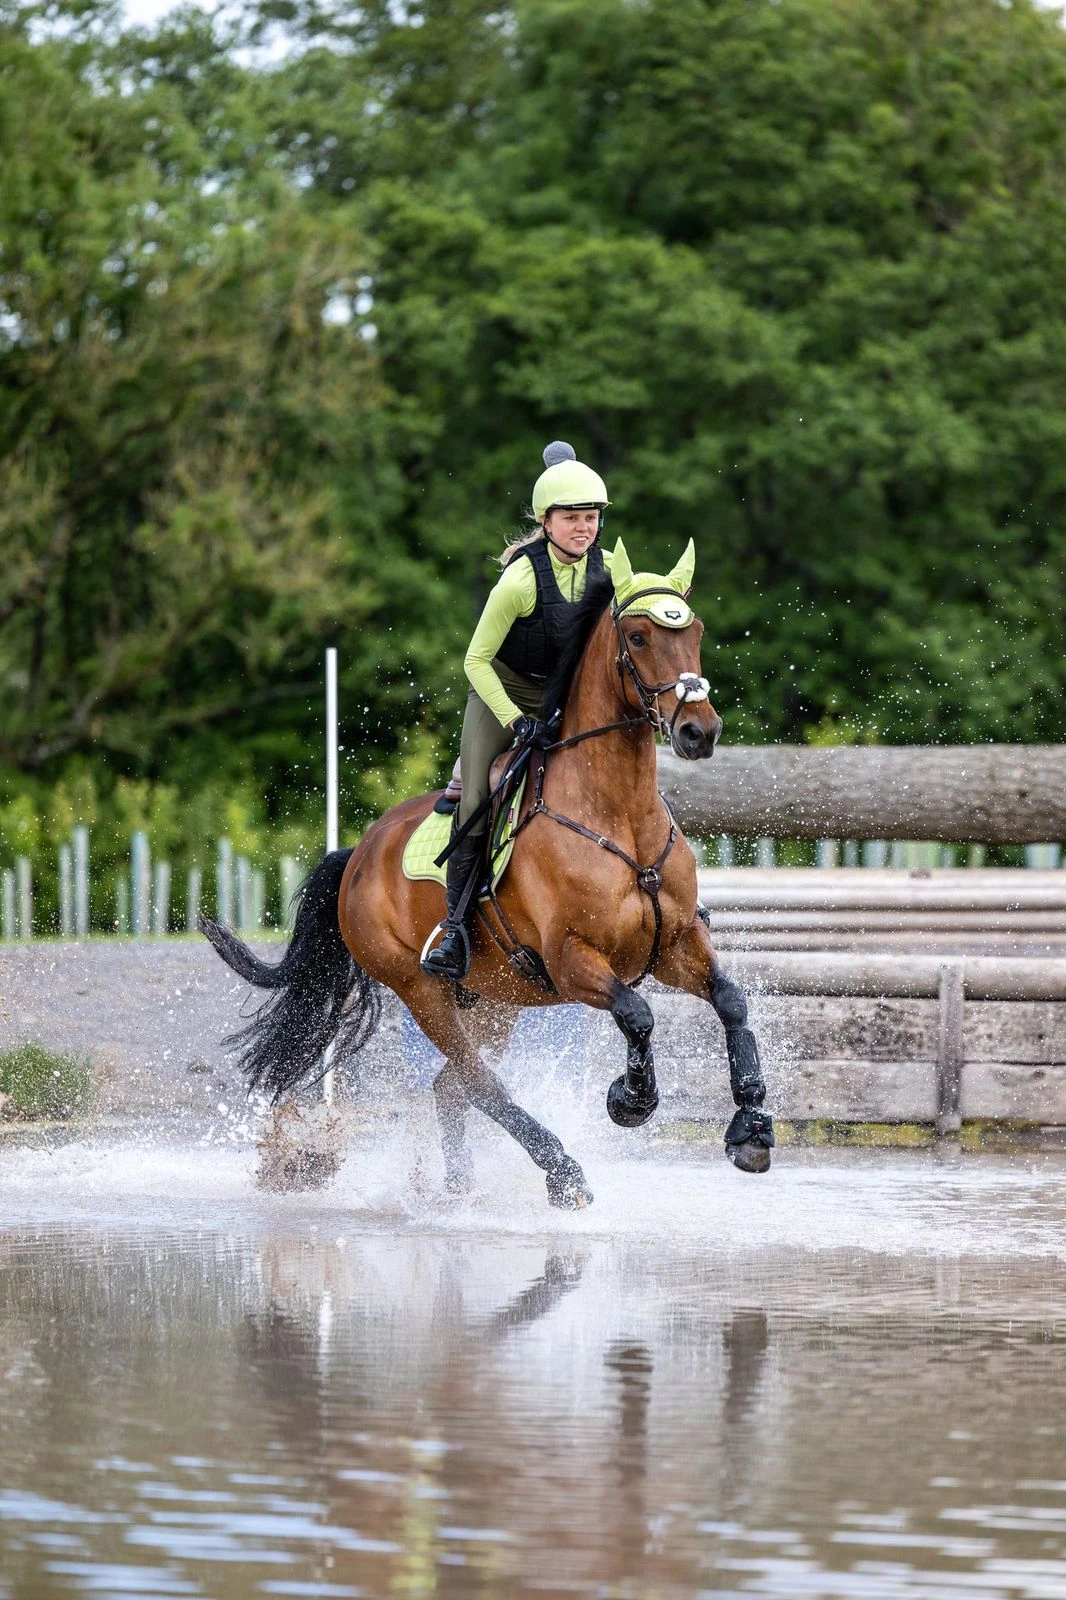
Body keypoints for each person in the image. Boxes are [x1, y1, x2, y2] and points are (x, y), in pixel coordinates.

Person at [421, 441, 613, 981]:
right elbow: (474, 661)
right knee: (480, 794)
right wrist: (513, 719)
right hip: (500, 694)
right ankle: (454, 929)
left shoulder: (611, 568)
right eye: (572, 518)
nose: (584, 528)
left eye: (591, 517)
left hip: (563, 697)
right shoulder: (520, 580)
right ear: (546, 521)